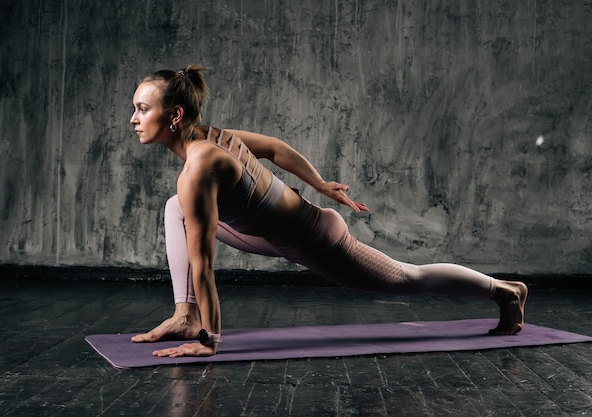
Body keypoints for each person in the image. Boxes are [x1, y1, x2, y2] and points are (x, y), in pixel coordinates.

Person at [128, 65, 528, 358]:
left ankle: (505, 291)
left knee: (408, 278)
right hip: (275, 234)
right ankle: (184, 314)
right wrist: (318, 184)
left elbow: (203, 265)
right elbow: (275, 148)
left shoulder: (198, 169)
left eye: (143, 109)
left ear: (175, 115)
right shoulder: (212, 136)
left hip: (317, 240)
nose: (134, 119)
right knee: (174, 208)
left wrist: (209, 340)